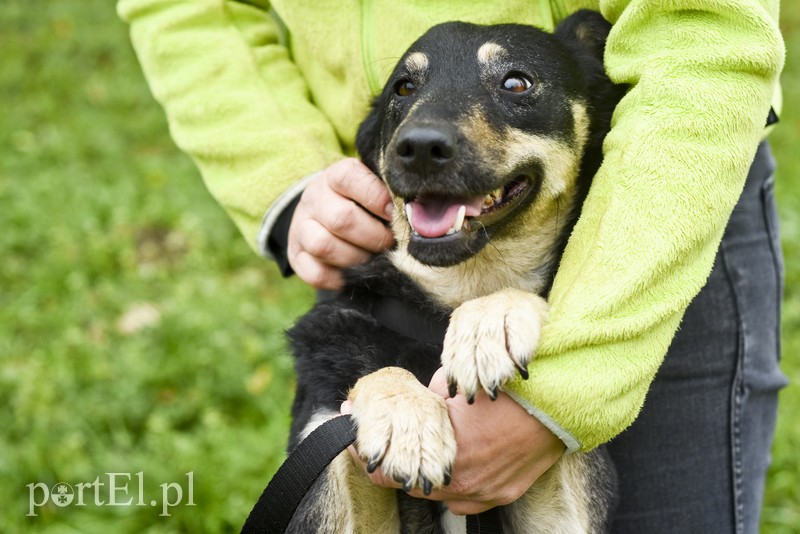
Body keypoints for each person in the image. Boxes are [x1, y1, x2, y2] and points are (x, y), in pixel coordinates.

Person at [118, 0, 787, 531]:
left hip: (662, 205)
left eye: (515, 85)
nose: (424, 135)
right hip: (380, 282)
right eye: (407, 94)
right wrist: (284, 176)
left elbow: (706, 30)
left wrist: (561, 392)